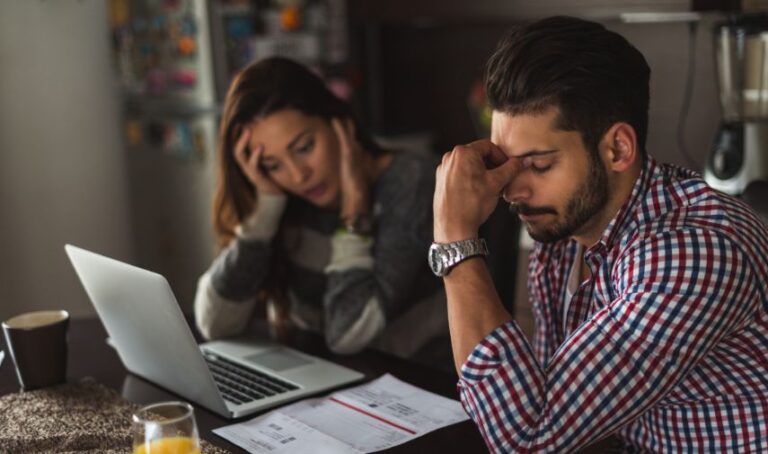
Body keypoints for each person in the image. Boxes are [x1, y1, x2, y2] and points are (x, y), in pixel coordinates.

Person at [431, 16, 768, 453]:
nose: (514, 190)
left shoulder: (692, 252)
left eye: (538, 164)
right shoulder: (560, 237)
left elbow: (529, 437)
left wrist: (456, 239)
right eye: (506, 163)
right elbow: (545, 403)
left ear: (618, 149)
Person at [195, 57, 447, 365]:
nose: (297, 175)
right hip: (322, 382)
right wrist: (265, 212)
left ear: (338, 122)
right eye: (273, 165)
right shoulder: (284, 197)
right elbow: (214, 323)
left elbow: (347, 334)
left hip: (413, 386)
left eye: (304, 147)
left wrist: (354, 214)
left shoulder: (411, 183)